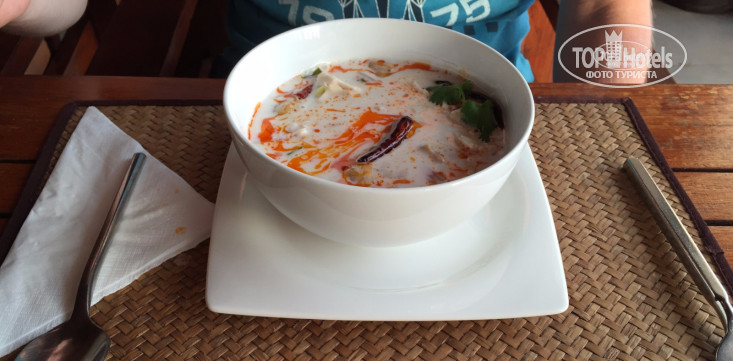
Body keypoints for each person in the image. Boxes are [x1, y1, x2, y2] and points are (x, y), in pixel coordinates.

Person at [1, 0, 651, 83]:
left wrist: (597, 122)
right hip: (250, 117)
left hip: (495, 111)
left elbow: (603, 8)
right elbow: (67, 8)